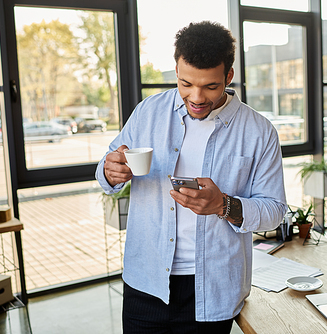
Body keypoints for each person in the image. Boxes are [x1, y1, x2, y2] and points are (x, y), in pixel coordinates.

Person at [96, 21, 287, 333]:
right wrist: (109, 169)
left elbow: (274, 211)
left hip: (214, 287)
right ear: (176, 70)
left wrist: (223, 205)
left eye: (210, 86)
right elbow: (109, 162)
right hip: (146, 283)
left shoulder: (259, 131)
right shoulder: (148, 112)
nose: (196, 97)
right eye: (186, 84)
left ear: (228, 76)